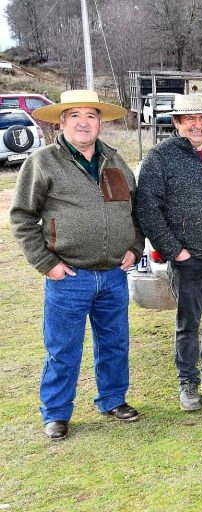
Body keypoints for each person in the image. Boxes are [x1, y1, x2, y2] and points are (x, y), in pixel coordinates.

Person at [10, 90, 143, 441]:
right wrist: (45, 262)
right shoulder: (43, 162)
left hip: (113, 274)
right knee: (63, 348)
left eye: (91, 115)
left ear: (100, 122)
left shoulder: (114, 161)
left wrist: (134, 245)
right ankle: (56, 412)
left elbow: (135, 210)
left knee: (115, 343)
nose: (84, 122)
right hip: (69, 276)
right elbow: (22, 217)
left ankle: (113, 399)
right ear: (61, 122)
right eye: (75, 116)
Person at [135, 94, 202, 411]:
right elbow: (148, 210)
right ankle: (188, 384)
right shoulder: (160, 158)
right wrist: (174, 251)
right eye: (190, 119)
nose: (198, 125)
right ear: (177, 122)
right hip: (189, 258)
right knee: (188, 324)